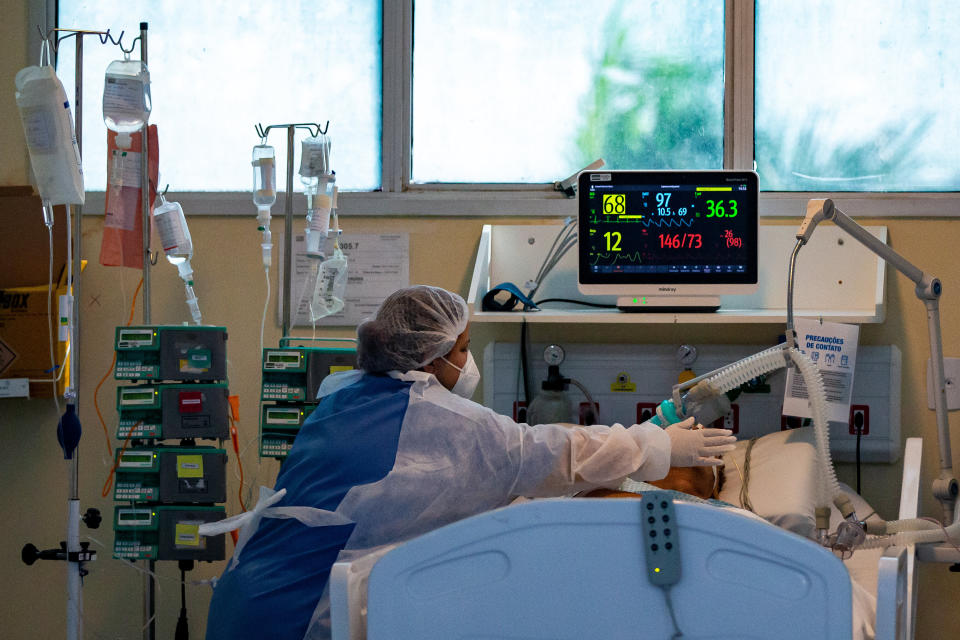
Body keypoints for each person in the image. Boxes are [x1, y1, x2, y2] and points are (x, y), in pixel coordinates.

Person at [205, 285, 735, 640]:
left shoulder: (343, 399)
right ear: (429, 356)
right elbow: (548, 452)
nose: (468, 361)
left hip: (247, 596)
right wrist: (657, 448)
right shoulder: (438, 421)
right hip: (303, 615)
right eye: (461, 349)